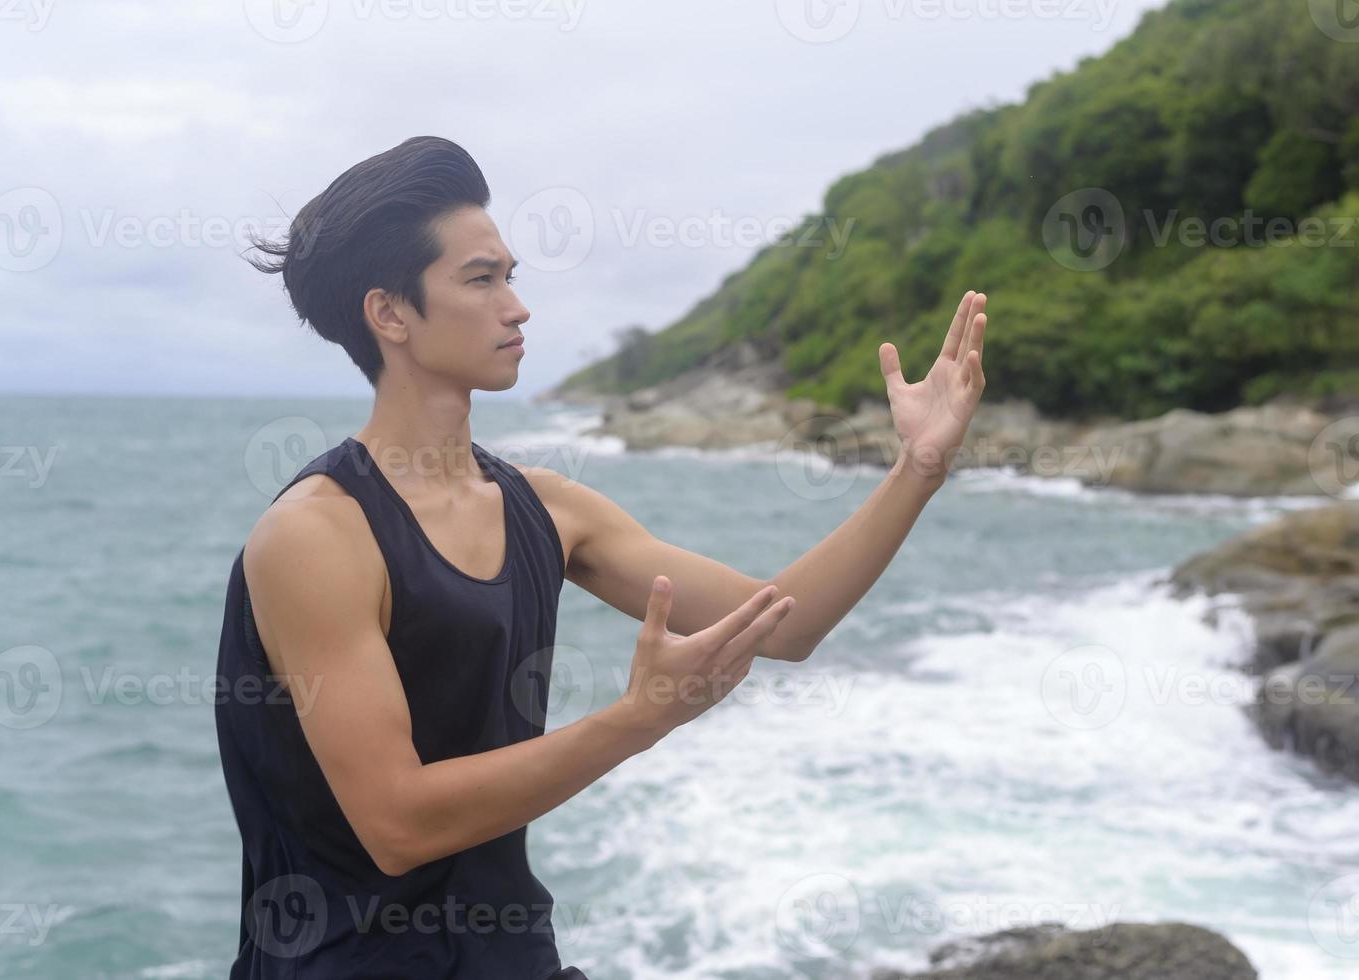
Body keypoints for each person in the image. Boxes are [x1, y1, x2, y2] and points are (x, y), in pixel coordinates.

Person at [214, 135, 988, 979]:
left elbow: (779, 625)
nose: (517, 307)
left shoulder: (548, 508)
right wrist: (637, 719)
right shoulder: (315, 537)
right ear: (390, 313)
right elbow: (398, 826)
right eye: (481, 279)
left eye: (511, 276)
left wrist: (916, 470)